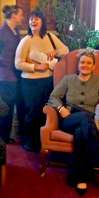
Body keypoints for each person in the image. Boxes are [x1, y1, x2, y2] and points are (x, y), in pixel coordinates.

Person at [47, 49, 99, 196]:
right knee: (85, 119)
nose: (85, 65)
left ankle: (80, 178)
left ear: (93, 66)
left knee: (81, 133)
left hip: (89, 123)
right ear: (78, 65)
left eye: (89, 63)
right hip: (70, 119)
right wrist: (61, 108)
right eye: (82, 62)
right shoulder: (68, 79)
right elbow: (53, 96)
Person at [15, 10, 69, 152]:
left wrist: (55, 52)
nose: (33, 21)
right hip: (30, 83)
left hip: (48, 81)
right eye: (31, 19)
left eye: (37, 19)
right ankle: (29, 141)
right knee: (32, 112)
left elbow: (66, 50)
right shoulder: (26, 40)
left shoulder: (50, 36)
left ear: (42, 22)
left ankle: (41, 141)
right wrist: (35, 67)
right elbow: (18, 63)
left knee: (44, 111)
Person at [0, 5, 25, 143]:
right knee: (7, 107)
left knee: (12, 106)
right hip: (5, 75)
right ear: (14, 15)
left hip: (14, 75)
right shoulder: (2, 31)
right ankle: (2, 136)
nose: (22, 17)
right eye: (20, 14)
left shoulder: (14, 30)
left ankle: (7, 135)